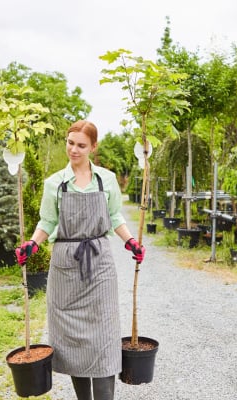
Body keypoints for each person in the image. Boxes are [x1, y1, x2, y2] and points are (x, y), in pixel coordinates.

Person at [15, 120, 145, 400]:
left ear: (93, 147)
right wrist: (32, 244)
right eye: (70, 143)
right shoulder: (55, 183)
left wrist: (130, 241)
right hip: (66, 269)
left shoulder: (106, 180)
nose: (74, 149)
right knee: (73, 341)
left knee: (105, 337)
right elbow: (48, 221)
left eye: (81, 145)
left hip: (99, 265)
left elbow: (114, 217)